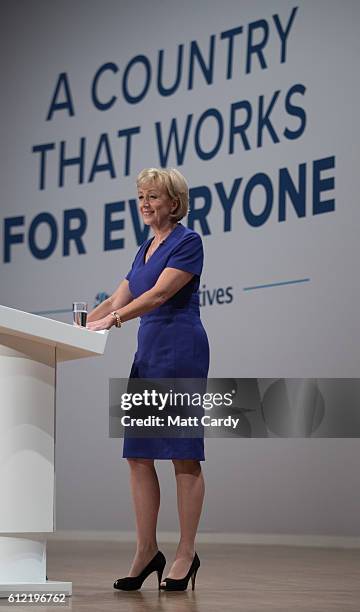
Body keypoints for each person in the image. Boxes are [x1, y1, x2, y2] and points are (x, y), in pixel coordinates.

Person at [86, 167, 210, 591]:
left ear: (173, 203)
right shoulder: (144, 248)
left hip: (181, 352)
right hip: (149, 353)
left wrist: (113, 320)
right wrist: (79, 324)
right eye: (141, 196)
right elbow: (118, 297)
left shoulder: (188, 241)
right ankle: (145, 551)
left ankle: (185, 554)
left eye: (153, 197)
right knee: (138, 456)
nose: (145, 203)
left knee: (182, 454)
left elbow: (157, 295)